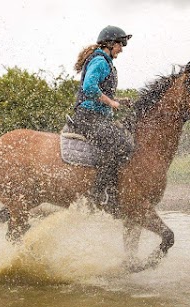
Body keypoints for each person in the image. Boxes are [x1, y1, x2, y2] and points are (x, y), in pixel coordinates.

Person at [72, 25, 134, 217]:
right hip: (88, 118)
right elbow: (89, 87)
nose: (122, 48)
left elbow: (102, 92)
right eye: (120, 44)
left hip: (97, 117)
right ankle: (99, 193)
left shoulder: (106, 62)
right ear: (110, 44)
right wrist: (110, 102)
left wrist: (118, 101)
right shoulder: (100, 61)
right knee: (122, 145)